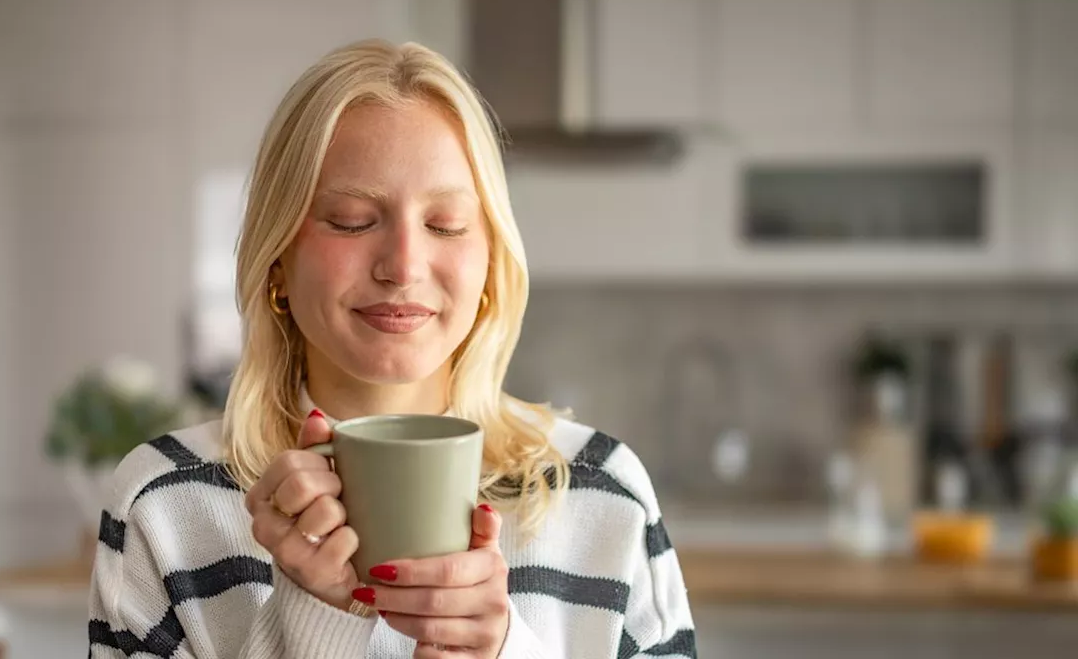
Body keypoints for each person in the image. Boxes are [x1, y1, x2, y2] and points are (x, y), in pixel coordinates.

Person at [87, 39, 695, 659]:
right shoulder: (163, 505)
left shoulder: (605, 494)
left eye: (445, 225)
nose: (403, 266)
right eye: (351, 220)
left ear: (490, 263)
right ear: (277, 261)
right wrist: (319, 618)